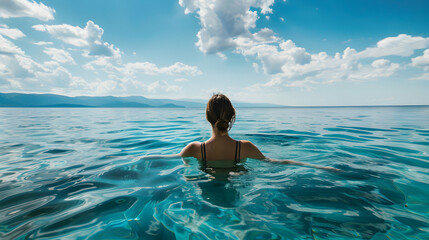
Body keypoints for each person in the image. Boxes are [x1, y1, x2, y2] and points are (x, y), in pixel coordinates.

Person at [142, 93, 340, 172]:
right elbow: (277, 163)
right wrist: (321, 167)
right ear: (231, 118)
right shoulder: (244, 148)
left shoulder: (194, 149)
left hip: (205, 194)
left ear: (207, 117)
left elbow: (164, 158)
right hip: (236, 192)